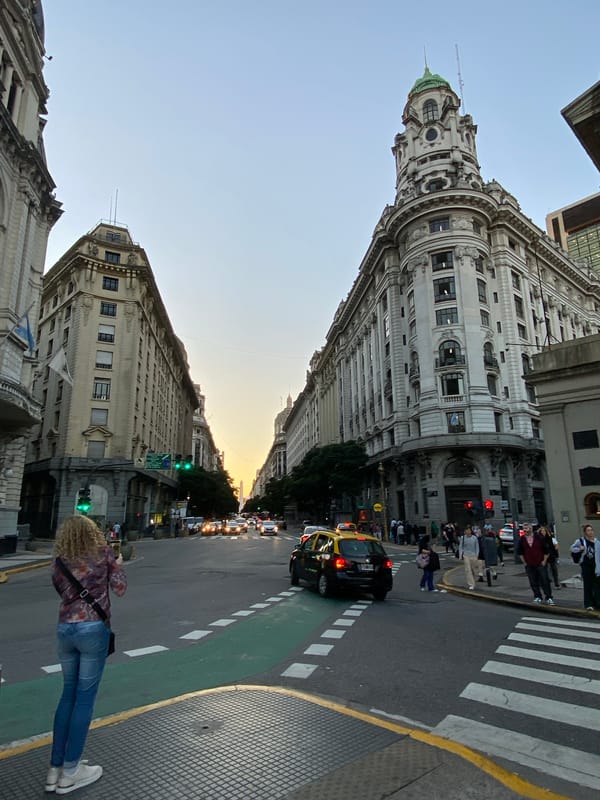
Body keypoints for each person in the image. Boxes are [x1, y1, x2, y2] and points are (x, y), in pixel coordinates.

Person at [46, 515, 127, 795]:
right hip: (93, 629)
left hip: (65, 628)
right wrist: (117, 566)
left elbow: (61, 591)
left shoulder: (59, 560)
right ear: (93, 533)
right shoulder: (103, 554)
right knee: (84, 699)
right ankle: (71, 771)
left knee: (67, 696)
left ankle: (54, 770)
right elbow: (120, 589)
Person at [517, 523, 554, 605]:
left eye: (527, 528)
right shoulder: (522, 539)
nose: (525, 530)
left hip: (540, 562)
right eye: (524, 529)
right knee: (533, 581)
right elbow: (520, 552)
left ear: (531, 529)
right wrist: (525, 562)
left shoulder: (539, 538)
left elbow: (546, 551)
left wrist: (544, 561)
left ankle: (548, 597)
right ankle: (537, 596)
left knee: (544, 580)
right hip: (530, 564)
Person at [570, 524, 600, 610]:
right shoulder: (581, 541)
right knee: (588, 585)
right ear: (585, 532)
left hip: (596, 566)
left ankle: (597, 603)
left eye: (591, 530)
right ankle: (588, 604)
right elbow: (572, 548)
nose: (590, 532)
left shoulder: (597, 542)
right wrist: (580, 549)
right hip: (586, 566)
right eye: (588, 530)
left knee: (597, 586)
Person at [459, 526, 481, 590]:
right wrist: (461, 555)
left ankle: (473, 580)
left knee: (474, 570)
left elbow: (477, 547)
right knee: (468, 570)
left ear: (471, 531)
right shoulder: (462, 538)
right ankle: (471, 584)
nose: (467, 532)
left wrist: (477, 555)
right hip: (466, 555)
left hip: (473, 555)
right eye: (466, 530)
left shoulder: (474, 538)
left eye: (469, 530)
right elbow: (461, 547)